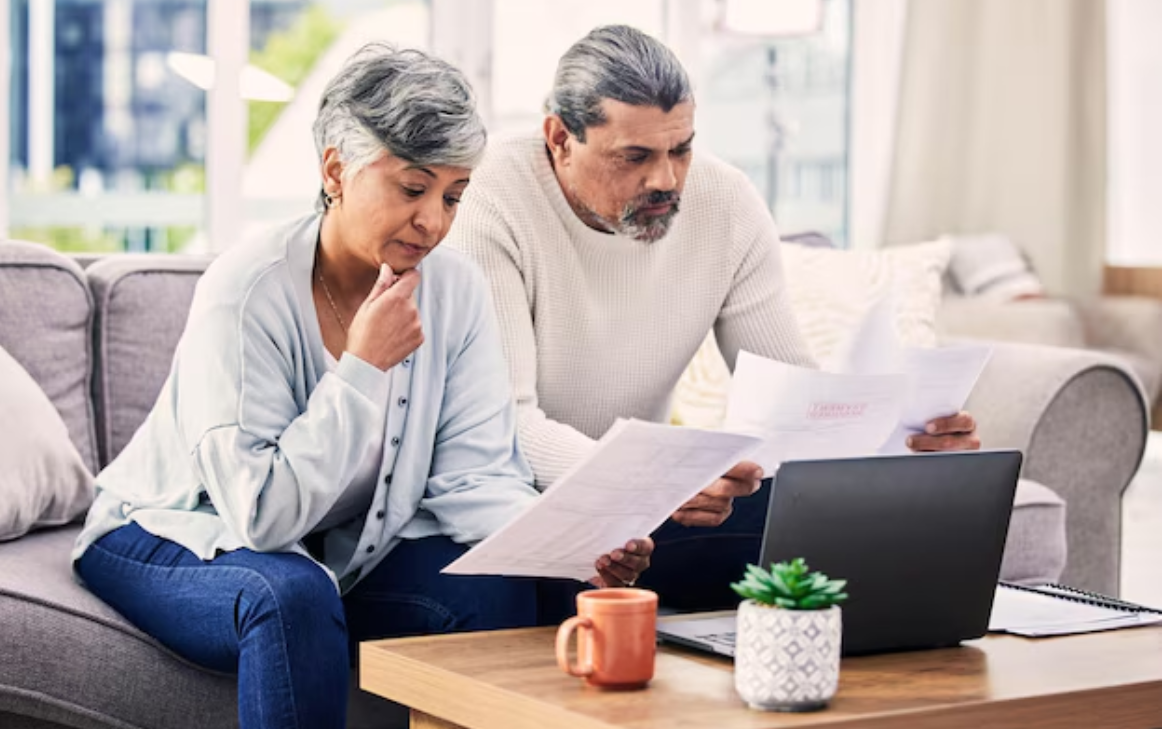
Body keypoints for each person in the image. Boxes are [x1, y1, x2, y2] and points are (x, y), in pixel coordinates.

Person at [72, 44, 652, 729]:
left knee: (508, 588)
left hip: (336, 549)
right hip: (175, 529)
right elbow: (260, 517)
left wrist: (569, 541)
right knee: (288, 596)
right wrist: (360, 370)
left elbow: (475, 477)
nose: (434, 222)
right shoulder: (245, 291)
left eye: (453, 196)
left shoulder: (456, 290)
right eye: (413, 188)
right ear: (335, 169)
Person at [446, 25, 979, 611]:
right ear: (558, 139)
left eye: (681, 149)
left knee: (839, 535)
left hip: (652, 508)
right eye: (635, 157)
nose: (667, 180)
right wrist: (659, 480)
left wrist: (902, 446)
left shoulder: (725, 201)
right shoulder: (488, 197)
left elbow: (793, 404)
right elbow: (509, 428)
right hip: (526, 502)